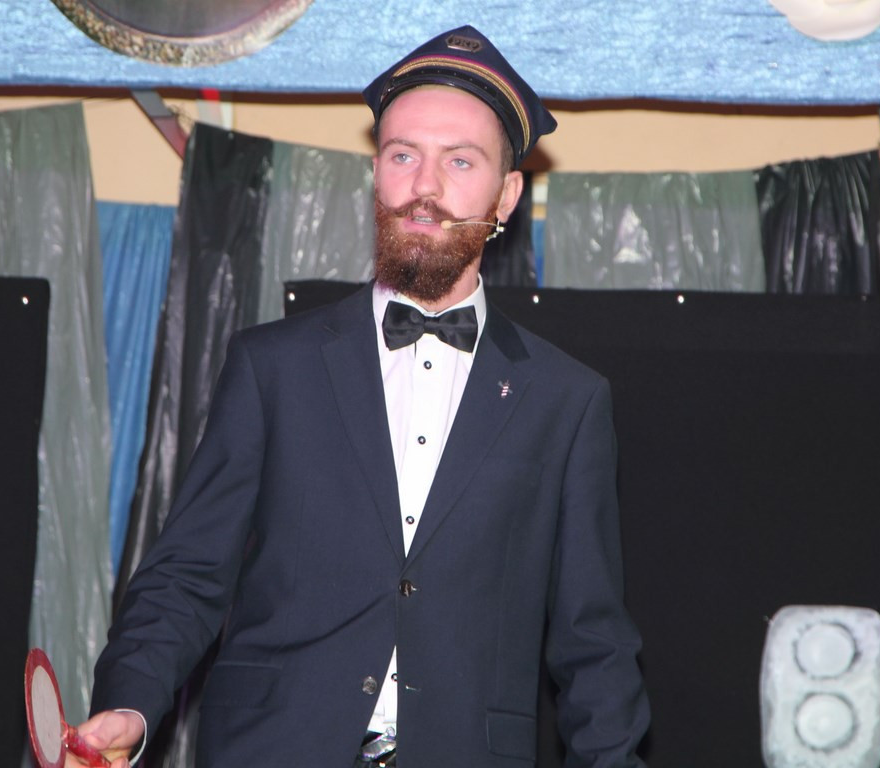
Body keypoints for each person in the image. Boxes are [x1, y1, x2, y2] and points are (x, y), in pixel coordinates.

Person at [70, 24, 650, 768]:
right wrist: (129, 705)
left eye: (460, 161)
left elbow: (593, 643)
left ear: (506, 194)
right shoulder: (272, 367)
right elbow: (186, 576)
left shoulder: (566, 401)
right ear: (377, 173)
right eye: (403, 155)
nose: (425, 187)